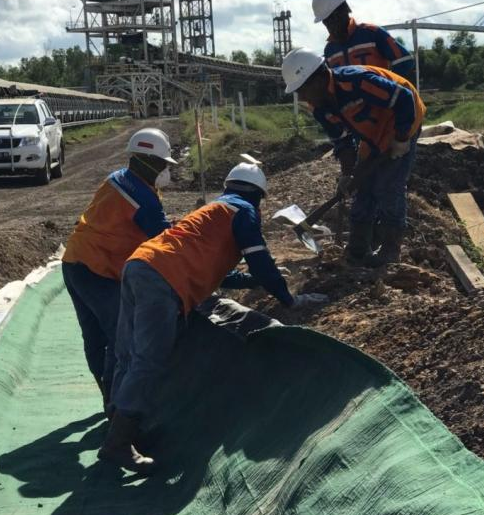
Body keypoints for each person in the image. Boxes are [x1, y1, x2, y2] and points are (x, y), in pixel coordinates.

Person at [99, 163, 328, 474]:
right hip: (163, 277)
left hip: (140, 264)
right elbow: (259, 259)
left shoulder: (215, 210)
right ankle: (118, 443)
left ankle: (118, 426)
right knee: (149, 359)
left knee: (127, 353)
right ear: (258, 195)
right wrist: (288, 299)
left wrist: (254, 281)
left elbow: (222, 273)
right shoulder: (243, 210)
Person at [61, 128, 176, 408]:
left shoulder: (117, 180)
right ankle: (116, 406)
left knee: (93, 336)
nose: (165, 170)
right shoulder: (143, 198)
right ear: (146, 161)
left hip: (73, 261)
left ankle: (107, 395)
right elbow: (165, 242)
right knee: (118, 336)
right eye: (162, 164)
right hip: (97, 271)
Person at [282, 47, 426, 267]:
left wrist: (401, 138)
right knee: (363, 188)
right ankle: (358, 249)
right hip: (372, 136)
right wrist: (348, 175)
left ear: (319, 78)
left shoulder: (357, 82)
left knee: (388, 185)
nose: (301, 97)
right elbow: (343, 142)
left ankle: (390, 249)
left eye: (302, 89)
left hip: (402, 121)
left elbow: (404, 98)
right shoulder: (320, 108)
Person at [312, 0, 414, 76]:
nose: (331, 25)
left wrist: (388, 88)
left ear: (346, 9)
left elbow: (405, 60)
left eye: (334, 17)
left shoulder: (373, 34)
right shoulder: (330, 51)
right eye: (326, 21)